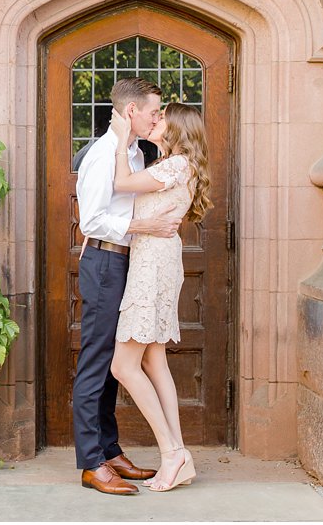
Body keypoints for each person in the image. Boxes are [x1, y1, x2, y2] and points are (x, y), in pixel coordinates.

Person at [72, 77, 183, 496]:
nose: (159, 117)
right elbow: (92, 221)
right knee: (97, 361)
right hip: (103, 261)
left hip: (128, 264)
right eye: (154, 111)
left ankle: (110, 449)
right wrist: (144, 226)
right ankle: (91, 463)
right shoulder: (103, 155)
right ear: (131, 111)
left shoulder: (138, 153)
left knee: (118, 362)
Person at [108, 102, 213, 492]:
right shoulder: (173, 164)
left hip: (153, 265)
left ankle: (171, 452)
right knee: (153, 359)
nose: (154, 121)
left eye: (161, 117)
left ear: (177, 128)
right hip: (154, 260)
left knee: (123, 366)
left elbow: (121, 184)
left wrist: (121, 141)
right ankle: (179, 452)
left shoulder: (175, 165)